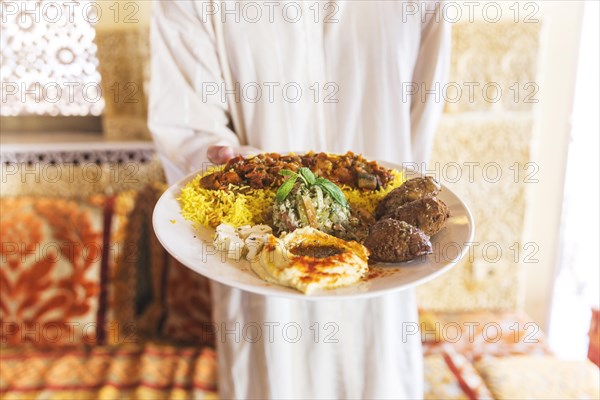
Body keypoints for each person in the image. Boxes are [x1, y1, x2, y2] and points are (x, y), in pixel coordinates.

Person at [149, 1, 450, 398]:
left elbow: (421, 113)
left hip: (383, 267)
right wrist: (223, 159)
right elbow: (185, 122)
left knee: (378, 376)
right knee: (273, 378)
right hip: (261, 262)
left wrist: (393, 205)